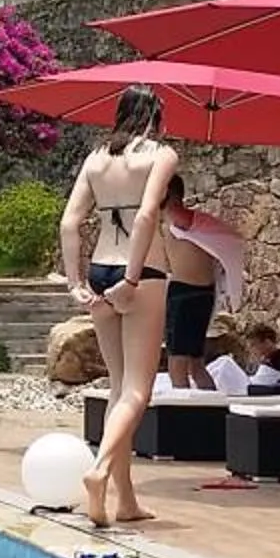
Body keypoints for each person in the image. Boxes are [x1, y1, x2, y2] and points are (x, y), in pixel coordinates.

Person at [57, 85, 180, 529]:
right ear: (155, 116)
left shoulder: (95, 159)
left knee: (116, 388)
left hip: (98, 272)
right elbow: (147, 215)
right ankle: (100, 470)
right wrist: (131, 279)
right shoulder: (161, 155)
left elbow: (70, 222)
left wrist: (74, 283)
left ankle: (125, 500)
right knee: (137, 391)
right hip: (139, 275)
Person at [158, 188, 247, 392]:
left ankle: (182, 415)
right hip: (204, 294)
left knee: (177, 362)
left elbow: (173, 213)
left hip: (183, 295)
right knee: (196, 363)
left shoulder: (179, 219)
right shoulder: (199, 224)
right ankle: (208, 407)